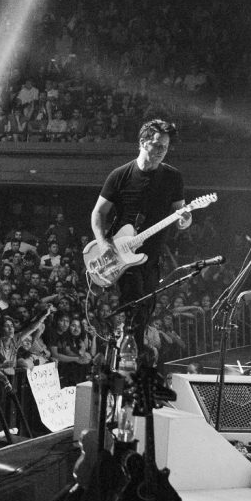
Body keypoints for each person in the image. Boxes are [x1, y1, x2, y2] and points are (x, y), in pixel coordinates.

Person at [89, 119, 191, 350]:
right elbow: (98, 213)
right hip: (123, 254)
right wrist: (103, 244)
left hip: (152, 257)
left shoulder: (173, 177)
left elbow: (182, 216)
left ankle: (129, 349)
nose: (161, 151)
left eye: (165, 147)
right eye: (157, 145)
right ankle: (131, 354)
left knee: (145, 308)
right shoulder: (120, 175)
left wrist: (185, 219)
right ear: (143, 142)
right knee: (134, 302)